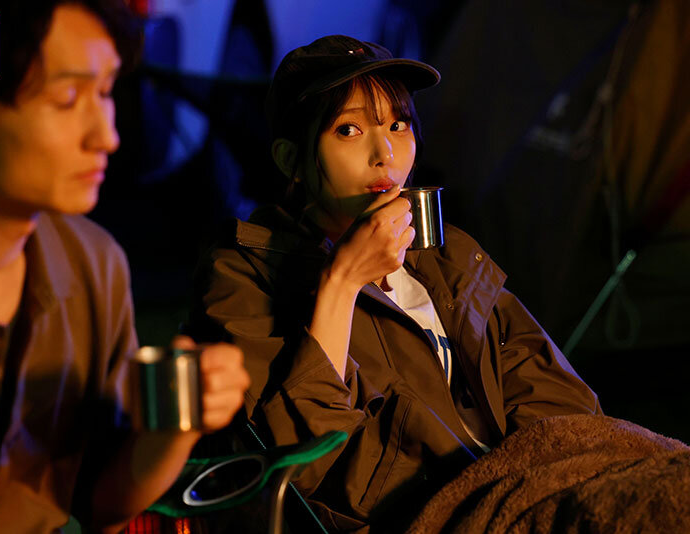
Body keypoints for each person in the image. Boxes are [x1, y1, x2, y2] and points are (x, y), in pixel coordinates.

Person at [185, 35, 601, 532]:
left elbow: (556, 395)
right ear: (291, 159)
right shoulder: (244, 275)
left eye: (397, 125)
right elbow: (312, 469)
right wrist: (343, 281)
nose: (384, 153)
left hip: (513, 501)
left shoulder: (441, 255)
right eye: (349, 129)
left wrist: (533, 486)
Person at [0, 1, 249, 532]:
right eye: (66, 99)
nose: (107, 136)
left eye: (104, 92)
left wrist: (175, 427)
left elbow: (101, 501)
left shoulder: (91, 264)